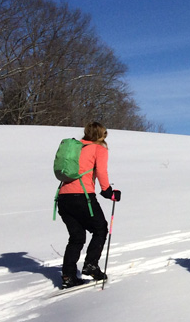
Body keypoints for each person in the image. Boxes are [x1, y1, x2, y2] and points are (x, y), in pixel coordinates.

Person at [56, 122, 121, 288]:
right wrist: (109, 192)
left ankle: (68, 276)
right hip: (82, 196)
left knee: (76, 237)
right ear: (102, 135)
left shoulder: (76, 147)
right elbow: (101, 172)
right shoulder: (99, 149)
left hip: (63, 197)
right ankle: (91, 264)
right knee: (100, 229)